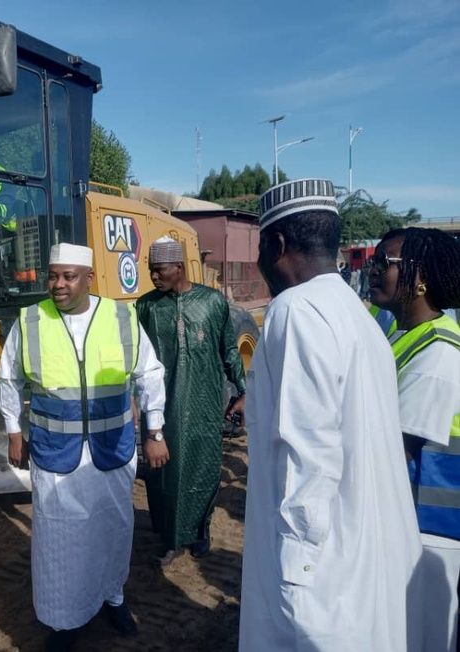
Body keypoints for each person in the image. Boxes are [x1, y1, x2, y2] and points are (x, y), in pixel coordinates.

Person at [239, 179, 422, 651]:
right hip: (362, 555)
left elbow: (309, 449)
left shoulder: (296, 309)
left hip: (323, 572)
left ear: (275, 244)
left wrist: (299, 574)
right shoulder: (356, 314)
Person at [0, 243, 167, 651]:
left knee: (113, 528)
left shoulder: (121, 317)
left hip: (112, 450)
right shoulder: (31, 320)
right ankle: (65, 620)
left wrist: (155, 431)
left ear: (89, 278)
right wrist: (13, 431)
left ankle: (114, 598)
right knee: (60, 538)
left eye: (68, 276)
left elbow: (150, 374)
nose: (58, 284)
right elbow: (8, 379)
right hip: (57, 453)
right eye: (53, 275)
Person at [369, 227, 460, 652]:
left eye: (383, 263)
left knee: (419, 639)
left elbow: (393, 452)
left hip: (430, 532)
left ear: (419, 276)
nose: (371, 270)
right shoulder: (404, 334)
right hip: (407, 520)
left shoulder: (439, 353)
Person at [135, 235, 246, 561]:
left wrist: (242, 389)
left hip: (204, 402)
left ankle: (201, 532)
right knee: (163, 474)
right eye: (151, 271)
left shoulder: (212, 302)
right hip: (162, 407)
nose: (154, 277)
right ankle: (170, 538)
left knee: (204, 469)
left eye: (160, 270)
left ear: (180, 267)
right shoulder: (146, 306)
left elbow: (228, 348)